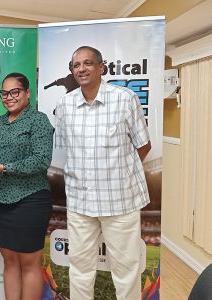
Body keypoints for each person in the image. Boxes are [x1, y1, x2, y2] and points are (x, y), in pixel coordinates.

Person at [54, 46, 152, 300]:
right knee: (80, 269)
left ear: (101, 67)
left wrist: (119, 172)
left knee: (126, 270)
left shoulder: (125, 98)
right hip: (80, 203)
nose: (81, 69)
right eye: (76, 65)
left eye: (87, 63)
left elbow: (144, 145)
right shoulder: (65, 103)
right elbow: (68, 148)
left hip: (120, 201)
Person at [0, 72, 54, 300]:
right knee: (9, 261)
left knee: (29, 263)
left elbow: (41, 160)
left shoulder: (38, 120)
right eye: (4, 93)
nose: (8, 97)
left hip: (31, 199)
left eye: (15, 92)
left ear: (27, 93)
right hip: (1, 201)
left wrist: (5, 168)